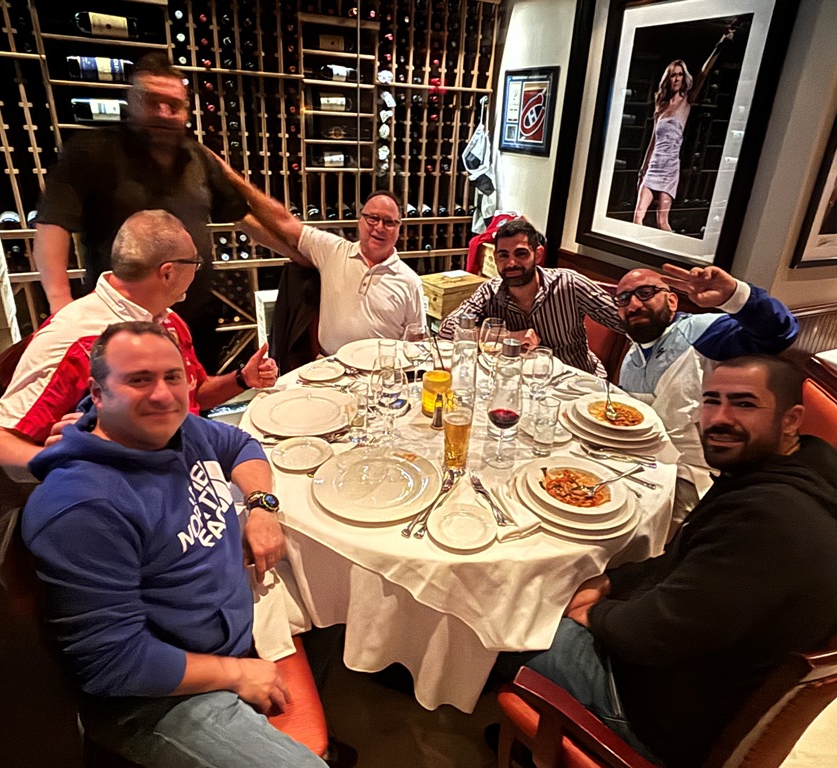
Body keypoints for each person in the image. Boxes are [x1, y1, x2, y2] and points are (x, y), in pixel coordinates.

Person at [499, 356, 837, 768]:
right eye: (712, 400)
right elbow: (686, 564)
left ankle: (525, 728)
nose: (719, 418)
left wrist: (595, 614)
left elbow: (650, 636)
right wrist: (612, 582)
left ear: (791, 419)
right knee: (554, 597)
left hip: (660, 721)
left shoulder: (770, 523)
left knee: (512, 623)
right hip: (695, 680)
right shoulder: (785, 473)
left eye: (744, 403)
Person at [20, 321, 313, 768]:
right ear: (98, 394)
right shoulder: (83, 508)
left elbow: (241, 445)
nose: (162, 395)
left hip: (232, 634)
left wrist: (261, 507)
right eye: (139, 380)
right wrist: (237, 673)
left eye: (172, 377)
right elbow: (113, 663)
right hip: (160, 695)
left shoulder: (176, 430)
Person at [32, 53, 289, 368]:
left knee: (194, 394)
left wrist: (304, 252)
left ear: (186, 110)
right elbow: (52, 225)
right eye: (152, 102)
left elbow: (243, 217)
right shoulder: (91, 151)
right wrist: (62, 307)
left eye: (174, 105)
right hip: (122, 325)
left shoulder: (196, 157)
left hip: (192, 319)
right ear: (131, 102)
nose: (164, 113)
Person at [0, 210, 278, 478]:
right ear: (168, 272)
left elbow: (194, 394)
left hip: (187, 463)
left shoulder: (168, 320)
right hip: (137, 490)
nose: (198, 271)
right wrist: (73, 462)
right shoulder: (76, 339)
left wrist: (242, 379)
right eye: (195, 262)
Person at [616, 263, 798, 515]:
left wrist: (735, 297)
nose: (634, 305)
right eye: (623, 299)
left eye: (645, 293)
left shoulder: (703, 333)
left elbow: (778, 333)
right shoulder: (633, 353)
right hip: (640, 464)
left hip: (696, 479)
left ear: (672, 301)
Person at [214, 159, 425, 354]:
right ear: (360, 221)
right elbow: (284, 223)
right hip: (330, 368)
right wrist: (230, 179)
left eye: (389, 222)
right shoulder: (333, 251)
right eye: (372, 218)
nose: (379, 227)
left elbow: (417, 342)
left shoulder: (410, 281)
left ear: (399, 229)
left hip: (382, 374)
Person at [438, 219, 624, 374]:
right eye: (503, 255)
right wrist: (507, 336)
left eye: (521, 254)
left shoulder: (569, 284)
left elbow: (623, 320)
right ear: (495, 258)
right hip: (518, 383)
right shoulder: (490, 292)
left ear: (538, 255)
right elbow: (447, 330)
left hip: (576, 384)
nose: (511, 263)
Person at [634, 25, 736, 231]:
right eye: (673, 75)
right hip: (654, 165)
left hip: (670, 166)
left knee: (662, 221)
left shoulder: (686, 101)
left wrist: (720, 45)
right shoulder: (661, 105)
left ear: (684, 77)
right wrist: (643, 169)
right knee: (638, 216)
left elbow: (703, 73)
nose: (677, 79)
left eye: (680, 75)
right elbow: (654, 139)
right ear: (668, 78)